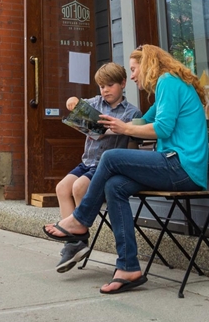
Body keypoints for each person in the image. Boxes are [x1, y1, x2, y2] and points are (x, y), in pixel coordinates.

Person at [44, 44, 209, 295]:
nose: (132, 76)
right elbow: (141, 122)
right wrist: (102, 126)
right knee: (115, 186)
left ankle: (80, 219)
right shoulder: (166, 87)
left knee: (110, 158)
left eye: (134, 69)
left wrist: (125, 129)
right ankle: (128, 267)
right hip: (171, 165)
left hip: (182, 166)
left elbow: (161, 129)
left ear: (149, 64)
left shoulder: (168, 82)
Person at [54, 62, 141, 273]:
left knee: (78, 188)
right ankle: (74, 242)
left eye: (110, 85)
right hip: (87, 162)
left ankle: (79, 231)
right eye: (101, 86)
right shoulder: (95, 103)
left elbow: (134, 145)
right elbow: (73, 103)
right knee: (62, 188)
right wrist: (73, 103)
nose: (105, 90)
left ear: (123, 83)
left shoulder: (132, 112)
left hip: (105, 168)